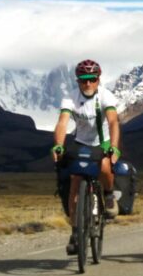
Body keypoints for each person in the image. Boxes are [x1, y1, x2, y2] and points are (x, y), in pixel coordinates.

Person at [52, 59, 121, 255]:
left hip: (103, 141)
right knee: (75, 182)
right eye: (83, 80)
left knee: (106, 167)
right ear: (78, 81)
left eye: (92, 79)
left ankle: (108, 195)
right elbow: (62, 124)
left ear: (98, 79)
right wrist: (58, 145)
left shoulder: (106, 96)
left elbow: (114, 121)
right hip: (81, 141)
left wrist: (114, 148)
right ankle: (75, 232)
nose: (88, 83)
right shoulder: (70, 99)